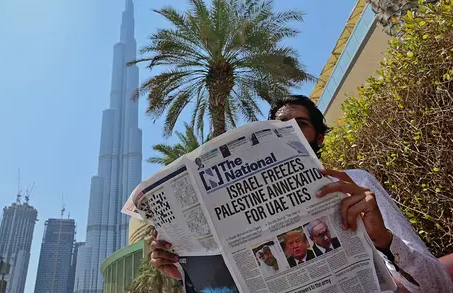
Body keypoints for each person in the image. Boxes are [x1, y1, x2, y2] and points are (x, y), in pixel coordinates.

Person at [150, 95, 453, 292]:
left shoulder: (356, 183)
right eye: (280, 126)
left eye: (300, 125)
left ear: (319, 137)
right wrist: (186, 273)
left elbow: (438, 284)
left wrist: (383, 239)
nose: (289, 132)